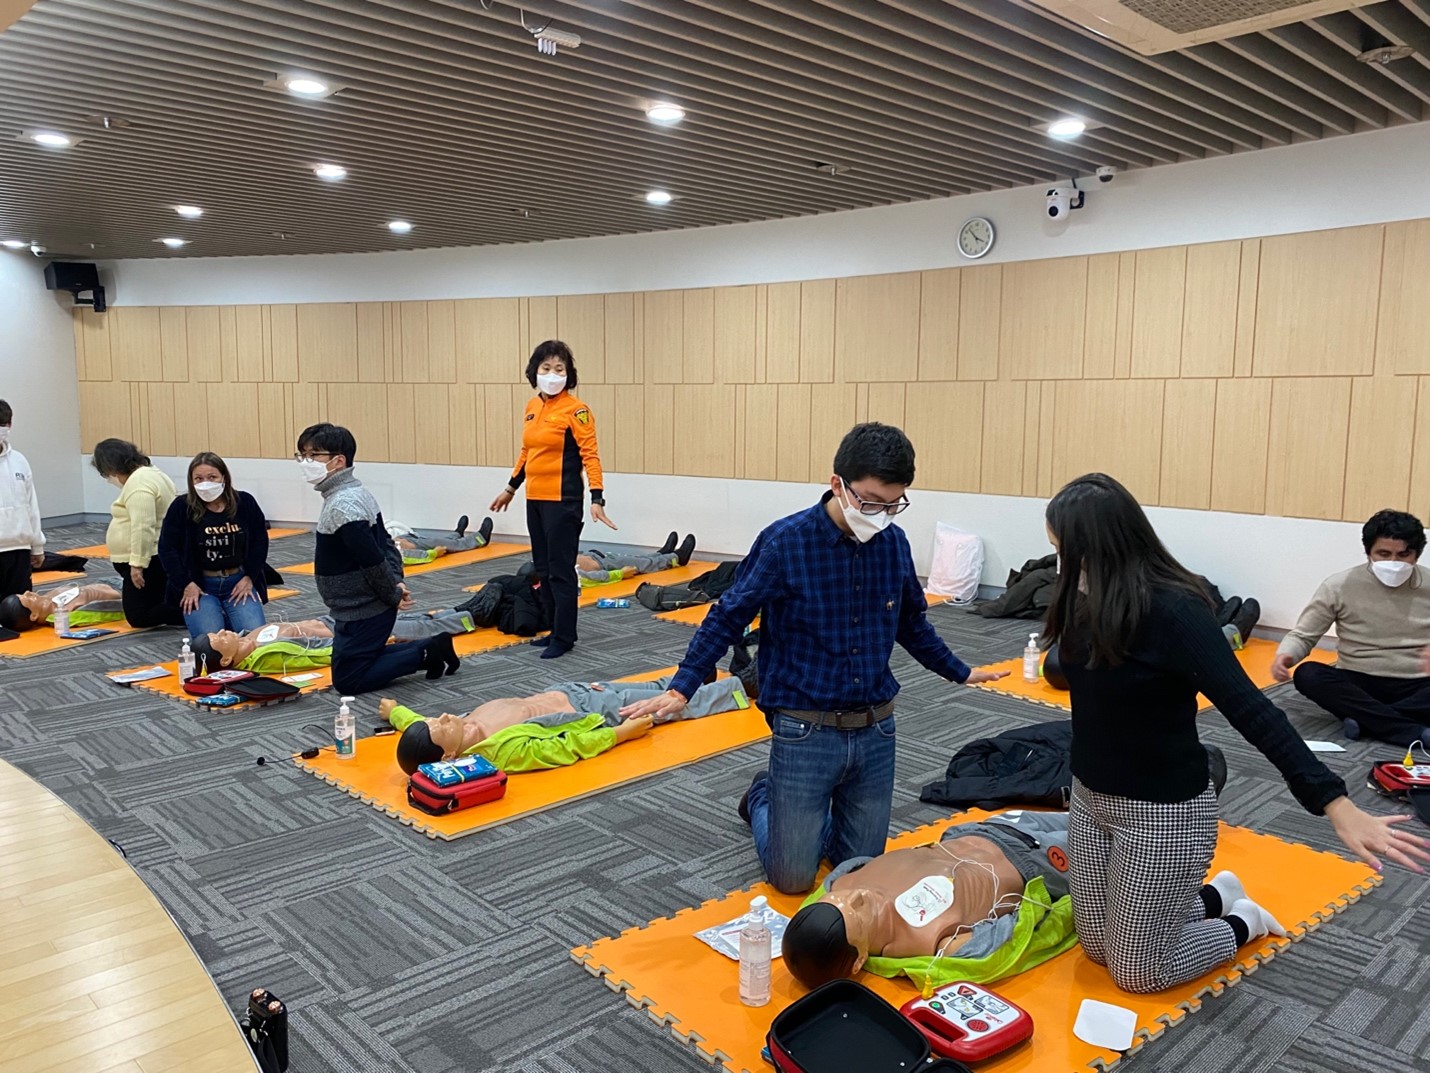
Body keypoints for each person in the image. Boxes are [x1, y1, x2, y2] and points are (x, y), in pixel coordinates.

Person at [1041, 473, 1427, 994]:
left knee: (1138, 972)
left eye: (1066, 551)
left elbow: (1252, 710)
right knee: (1096, 946)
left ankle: (1243, 921)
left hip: (1163, 812)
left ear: (1098, 548)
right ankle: (1214, 895)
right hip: (1090, 796)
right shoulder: (1083, 598)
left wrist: (1335, 802)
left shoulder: (1175, 610)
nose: (1062, 564)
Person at [621, 423, 1005, 894]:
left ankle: (804, 810)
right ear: (837, 485)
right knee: (792, 880)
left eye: (893, 503)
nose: (880, 515)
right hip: (804, 727)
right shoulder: (786, 542)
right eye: (868, 501)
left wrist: (960, 671)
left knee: (858, 876)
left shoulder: (894, 543)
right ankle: (766, 794)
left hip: (875, 728)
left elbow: (911, 623)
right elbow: (727, 615)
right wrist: (683, 686)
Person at [296, 422, 458, 694]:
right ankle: (429, 647)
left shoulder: (344, 504)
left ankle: (425, 653)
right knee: (352, 667)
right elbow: (386, 544)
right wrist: (396, 582)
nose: (305, 462)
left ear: (338, 461)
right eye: (302, 455)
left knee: (348, 682)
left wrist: (393, 593)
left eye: (313, 455)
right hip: (355, 607)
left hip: (365, 609)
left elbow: (372, 558)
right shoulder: (352, 492)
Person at [489, 340, 614, 660]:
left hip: (564, 501)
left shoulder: (577, 410)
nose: (552, 374)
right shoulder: (532, 407)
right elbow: (527, 453)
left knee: (560, 571)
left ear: (568, 374)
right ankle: (551, 628)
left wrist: (597, 497)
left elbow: (591, 456)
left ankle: (565, 636)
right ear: (535, 372)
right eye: (546, 368)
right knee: (542, 569)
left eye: (559, 369)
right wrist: (511, 487)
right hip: (536, 499)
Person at [386, 670, 756, 775]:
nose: (444, 716)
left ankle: (697, 678)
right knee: (668, 707)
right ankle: (742, 689)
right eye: (439, 726)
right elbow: (563, 748)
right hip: (592, 713)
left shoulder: (457, 731)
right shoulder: (499, 752)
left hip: (571, 690)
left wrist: (394, 712)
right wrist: (620, 734)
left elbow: (418, 724)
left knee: (652, 688)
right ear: (449, 756)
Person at [1272, 510, 1430, 748]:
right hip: (1358, 681)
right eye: (1384, 554)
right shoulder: (1339, 585)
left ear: (1416, 555)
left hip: (1417, 683)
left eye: (1403, 554)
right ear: (1368, 553)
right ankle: (1414, 731)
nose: (1394, 563)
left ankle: (1367, 721)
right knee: (1308, 674)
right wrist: (1285, 656)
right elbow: (1304, 634)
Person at [189, 597, 500, 675]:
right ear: (227, 658)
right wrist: (372, 645)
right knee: (415, 630)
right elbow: (317, 654)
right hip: (347, 635)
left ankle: (461, 611)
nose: (222, 630)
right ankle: (474, 617)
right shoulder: (266, 656)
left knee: (410, 619)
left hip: (336, 620)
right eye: (219, 638)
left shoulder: (248, 636)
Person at [158, 452, 271, 641]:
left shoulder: (245, 502)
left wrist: (249, 577)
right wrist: (186, 584)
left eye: (212, 477)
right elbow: (167, 549)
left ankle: (230, 622)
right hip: (201, 586)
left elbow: (260, 541)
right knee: (211, 644)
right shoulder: (181, 507)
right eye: (199, 479)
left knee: (255, 640)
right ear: (191, 482)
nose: (205, 483)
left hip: (238, 582)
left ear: (223, 478)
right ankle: (222, 622)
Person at [91, 438, 184, 629]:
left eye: (106, 473)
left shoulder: (139, 483)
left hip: (149, 559)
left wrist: (137, 564)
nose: (108, 479)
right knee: (154, 602)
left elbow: (143, 526)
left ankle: (193, 615)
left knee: (138, 616)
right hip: (155, 556)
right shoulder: (151, 474)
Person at [0, 399, 45, 601]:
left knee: (20, 612)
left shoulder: (19, 460)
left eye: (4, 424)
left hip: (19, 549)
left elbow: (31, 506)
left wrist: (37, 546)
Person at [0, 581, 125, 632]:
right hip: (120, 592)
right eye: (28, 599)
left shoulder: (47, 598)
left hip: (110, 583)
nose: (28, 592)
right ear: (34, 615)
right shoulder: (63, 612)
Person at [578, 532, 696, 585]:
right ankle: (676, 558)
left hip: (594, 556)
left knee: (636, 559)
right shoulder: (566, 573)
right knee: (643, 564)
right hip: (604, 565)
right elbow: (587, 579)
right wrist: (620, 574)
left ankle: (661, 553)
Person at [388, 516, 494, 565]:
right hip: (413, 547)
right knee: (453, 545)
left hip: (405, 540)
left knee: (437, 540)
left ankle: (456, 534)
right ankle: (480, 538)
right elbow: (406, 556)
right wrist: (433, 553)